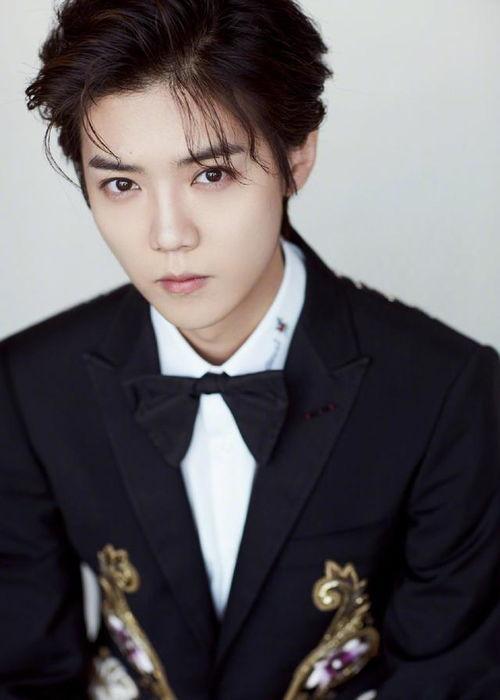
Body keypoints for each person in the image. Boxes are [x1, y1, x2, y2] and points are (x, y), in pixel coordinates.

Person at [1, 1, 499, 698]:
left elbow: (450, 679)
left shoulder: (448, 391)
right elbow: (23, 673)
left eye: (211, 174)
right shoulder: (29, 385)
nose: (168, 235)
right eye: (121, 184)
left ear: (297, 157)